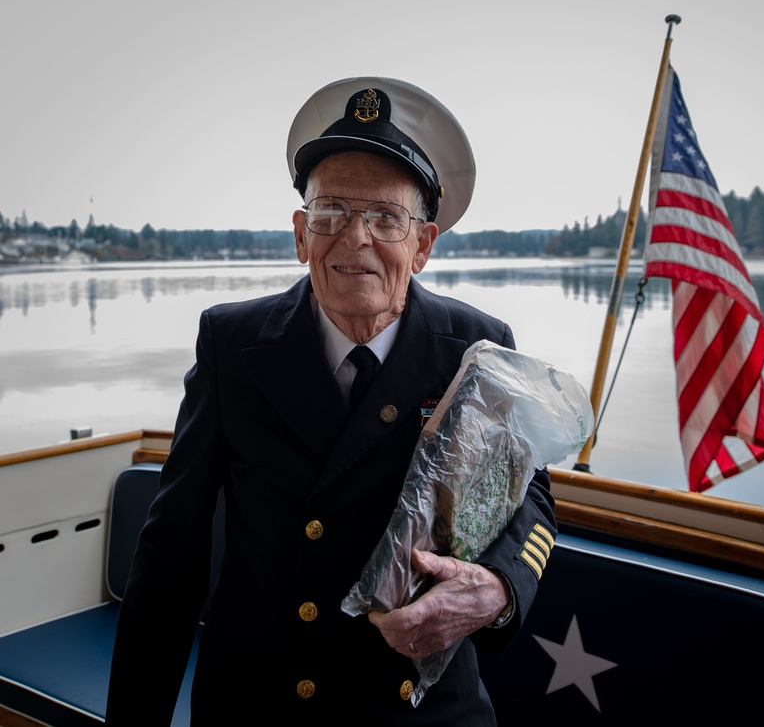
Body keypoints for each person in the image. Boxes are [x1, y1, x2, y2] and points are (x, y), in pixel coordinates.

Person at [106, 77, 556, 725]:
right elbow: (170, 556)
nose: (355, 238)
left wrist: (500, 588)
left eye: (385, 218)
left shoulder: (476, 348)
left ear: (423, 244)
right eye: (332, 212)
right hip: (265, 703)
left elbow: (531, 499)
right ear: (300, 232)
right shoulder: (233, 346)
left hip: (423, 707)